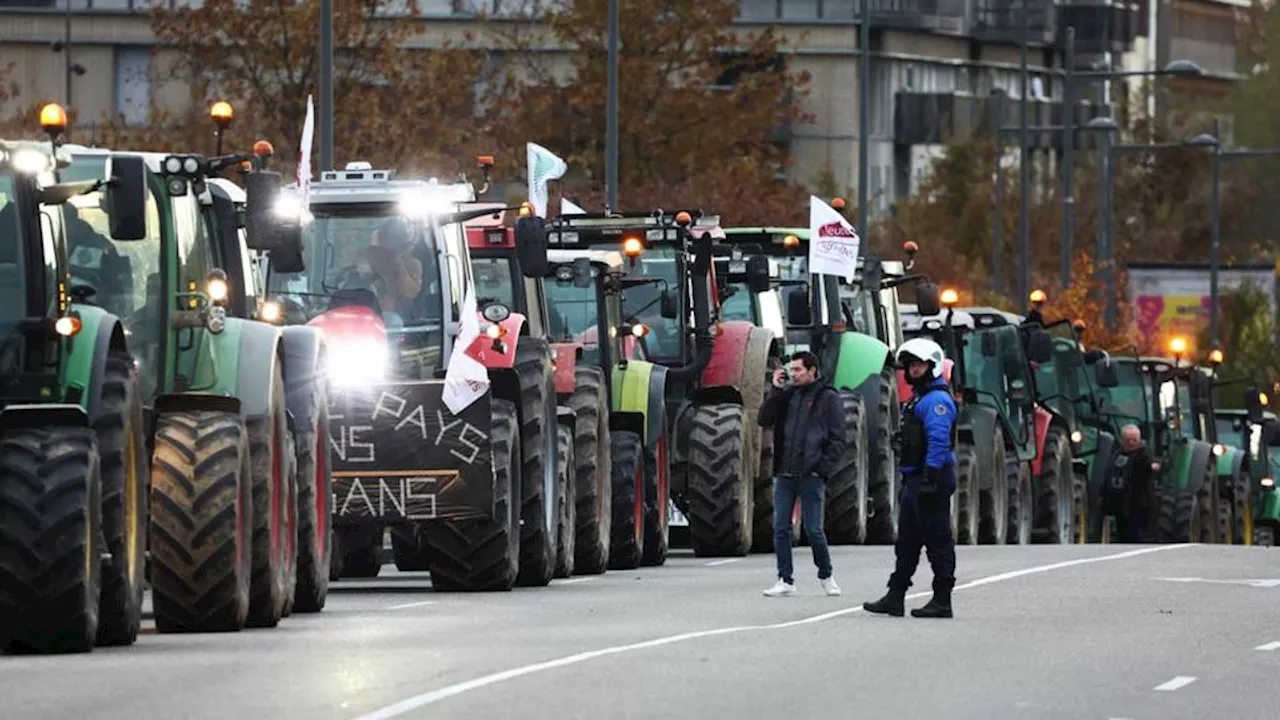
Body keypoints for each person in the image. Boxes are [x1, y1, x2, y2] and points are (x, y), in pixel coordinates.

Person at [864, 337, 958, 618]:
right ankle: (895, 596)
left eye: (919, 365)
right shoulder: (919, 399)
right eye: (911, 365)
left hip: (932, 478)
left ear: (933, 365)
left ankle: (942, 600)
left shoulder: (937, 401)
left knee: (937, 541)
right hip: (916, 478)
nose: (914, 370)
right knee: (907, 542)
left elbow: (939, 441)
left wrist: (930, 477)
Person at [756, 351, 847, 598]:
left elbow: (839, 438)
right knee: (781, 528)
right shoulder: (788, 396)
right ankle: (785, 579)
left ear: (812, 370)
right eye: (791, 370)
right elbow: (763, 419)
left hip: (811, 475)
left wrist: (821, 468)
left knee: (814, 530)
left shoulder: (828, 398)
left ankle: (826, 575)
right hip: (785, 474)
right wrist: (775, 391)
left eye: (798, 370)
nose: (793, 375)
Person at [363, 217, 423, 316]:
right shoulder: (367, 256)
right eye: (385, 237)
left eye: (395, 237)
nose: (389, 242)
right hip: (363, 309)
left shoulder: (412, 264)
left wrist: (398, 265)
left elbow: (410, 293)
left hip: (398, 316)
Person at [1111, 424, 1158, 543]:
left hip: (1139, 503)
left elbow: (1150, 464)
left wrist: (1153, 466)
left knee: (1137, 535)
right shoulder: (1117, 455)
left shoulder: (1144, 454)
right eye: (1128, 440)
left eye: (1134, 440)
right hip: (1120, 503)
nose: (1131, 443)